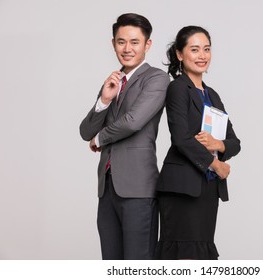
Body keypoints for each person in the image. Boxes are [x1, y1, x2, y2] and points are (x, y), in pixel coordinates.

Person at [79, 13, 169, 260]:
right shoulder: (113, 81)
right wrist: (103, 100)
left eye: (134, 42)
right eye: (121, 42)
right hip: (107, 188)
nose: (127, 49)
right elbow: (85, 131)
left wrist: (100, 139)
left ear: (147, 45)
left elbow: (133, 122)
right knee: (111, 263)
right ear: (113, 44)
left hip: (139, 188)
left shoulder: (157, 78)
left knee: (138, 264)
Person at [155, 26, 241, 260]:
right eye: (195, 49)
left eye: (206, 49)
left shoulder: (212, 94)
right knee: (184, 256)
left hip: (207, 189)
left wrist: (218, 144)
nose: (202, 55)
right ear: (180, 55)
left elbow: (234, 142)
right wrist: (217, 166)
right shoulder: (178, 88)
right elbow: (181, 139)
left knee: (201, 254)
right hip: (182, 188)